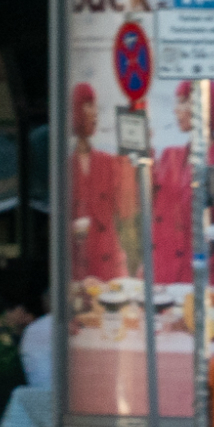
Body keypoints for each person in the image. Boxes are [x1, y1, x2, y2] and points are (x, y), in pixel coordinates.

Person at [152, 80, 214, 290]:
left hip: (205, 281)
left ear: (202, 107)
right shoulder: (170, 157)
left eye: (182, 102)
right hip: (166, 280)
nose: (175, 109)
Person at [65, 82, 130, 285]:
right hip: (77, 265)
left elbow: (125, 211)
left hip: (109, 265)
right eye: (88, 105)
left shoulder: (108, 162)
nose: (94, 112)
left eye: (94, 106)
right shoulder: (66, 168)